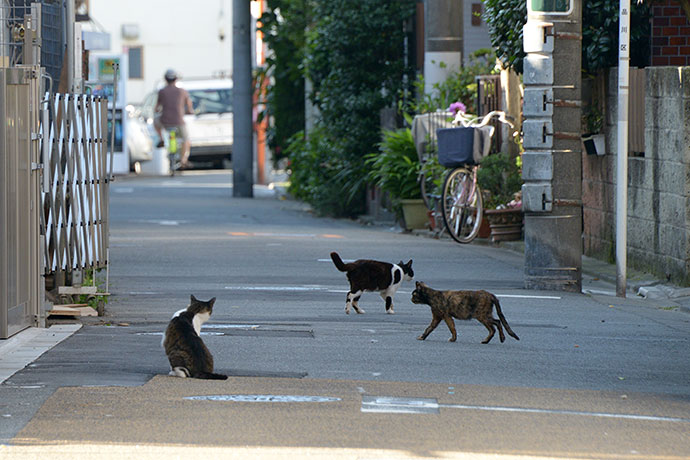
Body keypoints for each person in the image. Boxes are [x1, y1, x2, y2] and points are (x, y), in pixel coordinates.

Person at [154, 69, 194, 168]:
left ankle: (161, 139)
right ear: (176, 79)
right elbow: (189, 105)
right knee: (186, 139)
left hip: (165, 121)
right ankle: (183, 160)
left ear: (165, 79)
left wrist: (157, 111)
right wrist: (189, 111)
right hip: (179, 121)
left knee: (155, 122)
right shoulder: (182, 91)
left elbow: (157, 107)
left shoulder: (162, 91)